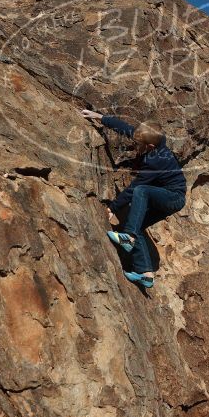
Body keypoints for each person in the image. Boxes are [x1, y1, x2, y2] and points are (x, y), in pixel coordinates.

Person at [81, 109, 187, 288]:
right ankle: (146, 274)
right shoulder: (151, 138)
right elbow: (125, 128)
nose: (135, 146)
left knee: (141, 191)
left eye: (138, 145)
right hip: (163, 196)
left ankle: (128, 237)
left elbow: (135, 189)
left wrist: (113, 207)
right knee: (136, 223)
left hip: (173, 198)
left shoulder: (156, 160)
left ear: (150, 147)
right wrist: (100, 117)